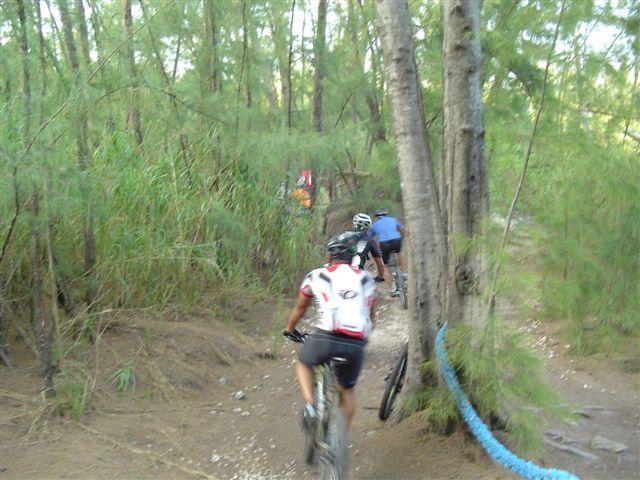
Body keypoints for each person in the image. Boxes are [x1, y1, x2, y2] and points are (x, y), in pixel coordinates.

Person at [283, 231, 377, 431]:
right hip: (355, 344)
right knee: (347, 391)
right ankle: (339, 439)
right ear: (353, 257)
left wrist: (290, 328)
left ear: (330, 256)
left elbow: (301, 308)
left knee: (303, 363)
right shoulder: (367, 279)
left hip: (326, 338)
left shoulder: (316, 275)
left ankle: (310, 406)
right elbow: (370, 314)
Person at [370, 209, 405, 295]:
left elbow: (370, 238)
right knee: (399, 252)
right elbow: (402, 229)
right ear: (387, 215)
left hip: (384, 244)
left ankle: (391, 288)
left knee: (385, 265)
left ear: (377, 217)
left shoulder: (374, 225)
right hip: (397, 240)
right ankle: (403, 272)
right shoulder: (393, 219)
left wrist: (376, 247)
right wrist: (402, 238)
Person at [351, 213, 386, 283]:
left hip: (339, 270)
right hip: (356, 271)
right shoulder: (369, 240)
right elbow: (380, 264)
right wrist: (380, 277)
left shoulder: (344, 237)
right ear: (367, 227)